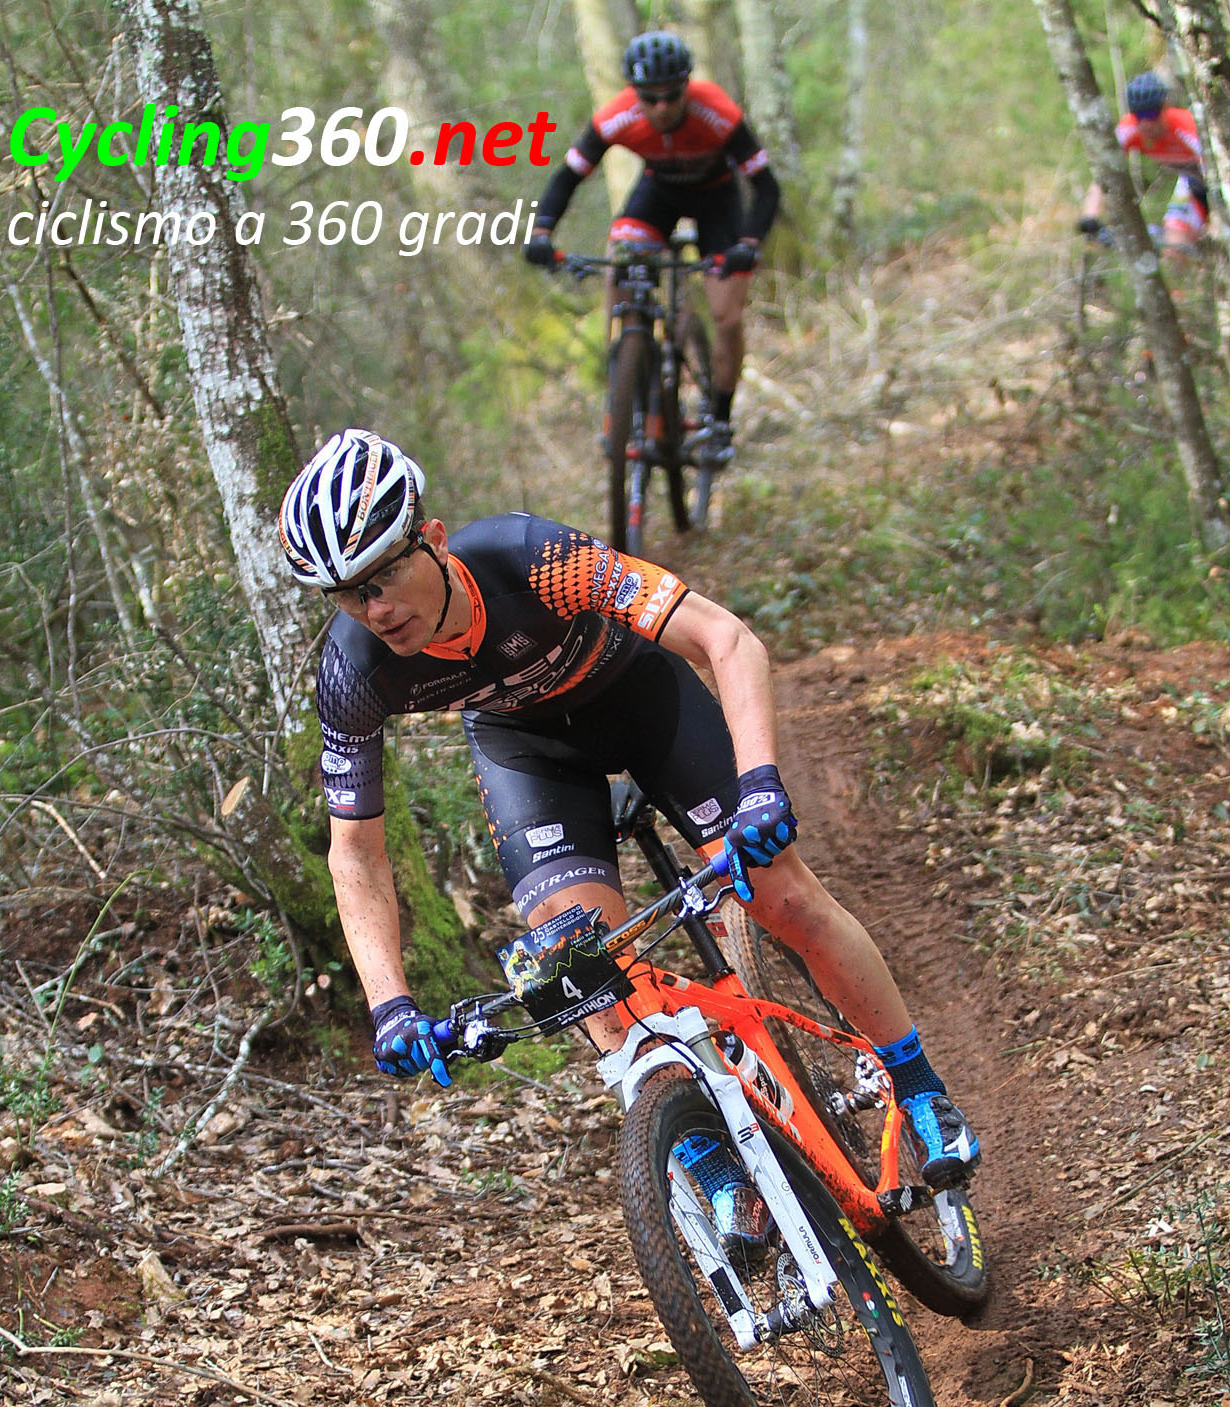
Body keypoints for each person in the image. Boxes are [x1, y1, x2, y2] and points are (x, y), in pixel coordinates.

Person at [278, 429, 981, 1195]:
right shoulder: (352, 671)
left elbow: (726, 639)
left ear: (434, 539)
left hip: (638, 700)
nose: (375, 608)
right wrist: (389, 1004)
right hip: (528, 753)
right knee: (581, 969)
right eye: (349, 593)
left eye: (384, 573)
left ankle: (920, 1088)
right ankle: (714, 1177)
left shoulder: (531, 557)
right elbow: (354, 851)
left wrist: (761, 785)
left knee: (781, 893)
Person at [523, 30, 781, 460]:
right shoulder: (616, 117)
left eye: (672, 95)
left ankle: (719, 419)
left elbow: (767, 187)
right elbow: (568, 177)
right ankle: (625, 379)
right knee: (619, 261)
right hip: (658, 194)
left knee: (727, 316)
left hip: (717, 199)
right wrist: (542, 233)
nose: (661, 107)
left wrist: (750, 243)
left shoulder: (717, 112)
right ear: (634, 93)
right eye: (649, 97)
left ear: (687, 87)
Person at [1079, 70, 1208, 254]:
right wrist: (1090, 216)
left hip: (1217, 178)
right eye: (1139, 116)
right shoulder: (1128, 129)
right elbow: (1104, 174)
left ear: (1165, 107)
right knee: (1174, 244)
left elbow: (1219, 168)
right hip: (1191, 182)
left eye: (1152, 114)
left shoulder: (1186, 126)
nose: (1146, 123)